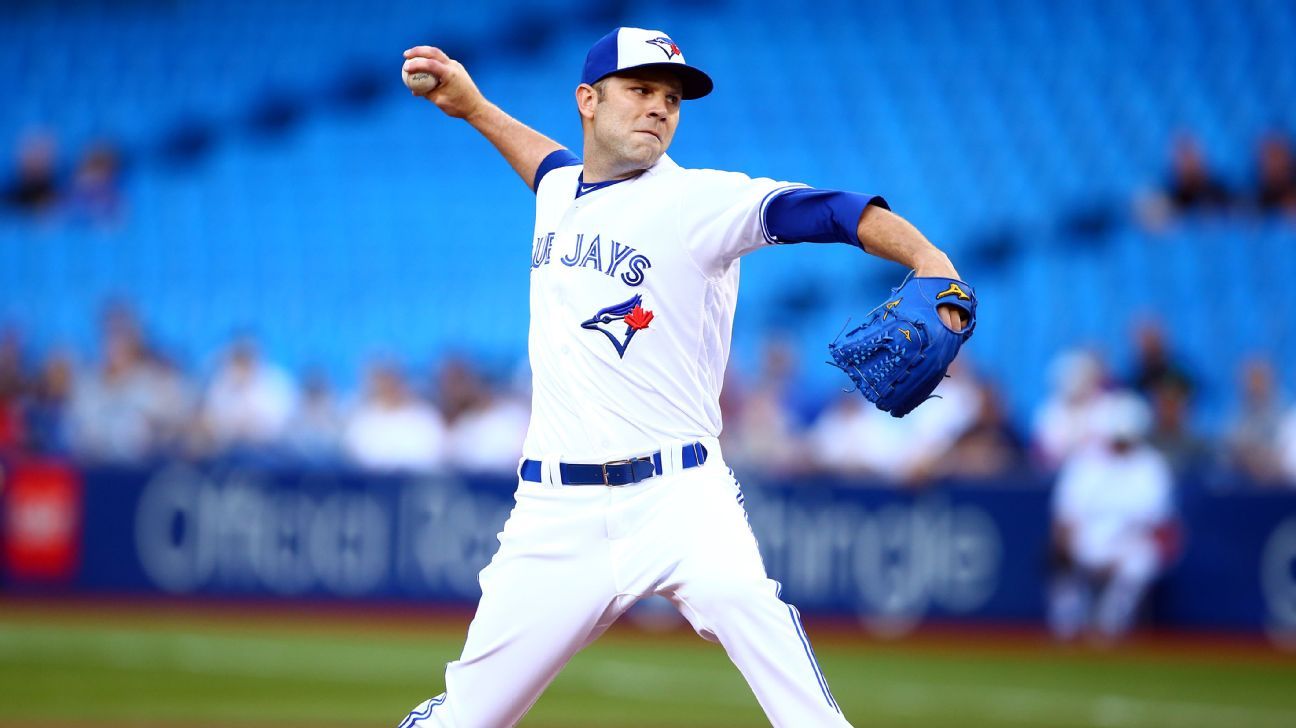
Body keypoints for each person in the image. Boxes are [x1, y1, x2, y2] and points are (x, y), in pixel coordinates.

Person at [397, 27, 967, 727]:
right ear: (588, 100)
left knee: (792, 687)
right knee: (468, 719)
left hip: (681, 499)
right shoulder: (559, 189)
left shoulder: (699, 202)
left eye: (671, 97)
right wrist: (477, 108)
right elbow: (547, 163)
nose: (659, 108)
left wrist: (929, 255)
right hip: (554, 511)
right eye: (639, 90)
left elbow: (826, 210)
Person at [1048, 392, 1175, 642]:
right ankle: (1068, 626)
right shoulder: (1085, 461)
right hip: (1087, 542)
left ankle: (1109, 628)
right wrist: (1069, 548)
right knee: (1054, 555)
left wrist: (1119, 552)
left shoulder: (1152, 466)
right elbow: (1065, 517)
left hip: (1129, 545)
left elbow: (1158, 524)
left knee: (1142, 561)